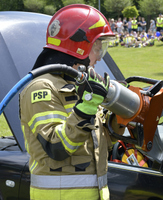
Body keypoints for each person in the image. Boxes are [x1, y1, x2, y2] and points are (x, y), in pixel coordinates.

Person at [19, 4, 125, 200]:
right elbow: (56, 147)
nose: (99, 57)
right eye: (97, 47)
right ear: (79, 47)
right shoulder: (42, 88)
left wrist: (119, 121)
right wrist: (86, 108)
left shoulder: (82, 87)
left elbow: (95, 144)